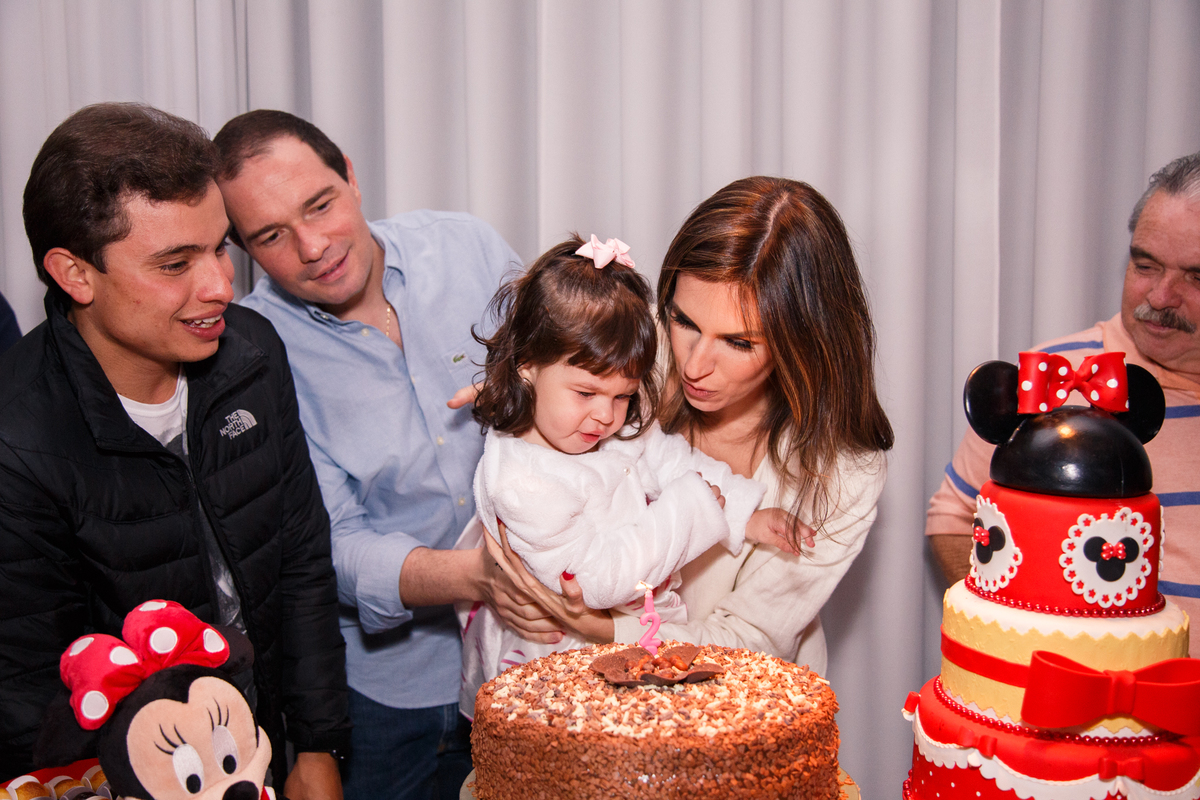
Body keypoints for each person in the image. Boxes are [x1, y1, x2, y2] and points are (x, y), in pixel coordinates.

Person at [0, 102, 349, 795]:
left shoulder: (252, 355)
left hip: (267, 749)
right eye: (173, 264)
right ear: (74, 274)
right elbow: (29, 699)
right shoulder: (20, 445)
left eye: (219, 246)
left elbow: (302, 561)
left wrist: (316, 746)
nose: (221, 286)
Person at [213, 110, 549, 800]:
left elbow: (567, 386)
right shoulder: (249, 355)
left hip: (531, 662)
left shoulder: (468, 250)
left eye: (320, 205)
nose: (312, 246)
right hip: (388, 698)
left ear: (352, 177)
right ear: (243, 248)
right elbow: (327, 546)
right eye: (272, 236)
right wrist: (477, 575)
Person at [479, 176, 894, 674]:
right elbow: (551, 379)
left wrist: (607, 630)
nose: (694, 364)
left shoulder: (844, 471)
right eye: (683, 321)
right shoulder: (637, 354)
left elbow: (750, 639)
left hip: (734, 706)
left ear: (803, 343)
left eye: (739, 343)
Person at [457, 234, 805, 713]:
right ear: (527, 367)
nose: (606, 416)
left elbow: (672, 460)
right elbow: (598, 578)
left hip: (623, 647)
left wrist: (745, 512)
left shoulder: (608, 428)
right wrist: (689, 511)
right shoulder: (521, 483)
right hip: (559, 669)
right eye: (586, 394)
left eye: (622, 396)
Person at [926, 151, 1200, 651]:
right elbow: (953, 518)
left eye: (1196, 277)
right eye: (1145, 264)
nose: (1160, 296)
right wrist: (1017, 635)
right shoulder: (1052, 379)